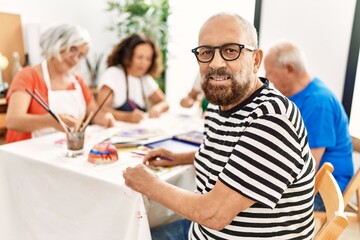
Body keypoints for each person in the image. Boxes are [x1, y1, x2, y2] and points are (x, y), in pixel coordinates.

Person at [123, 13, 315, 239]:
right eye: (206, 52)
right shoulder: (219, 105)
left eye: (231, 50)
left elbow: (214, 214)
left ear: (255, 60)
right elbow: (229, 155)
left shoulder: (272, 119)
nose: (215, 63)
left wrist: (149, 183)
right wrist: (180, 157)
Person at [264, 41, 354, 211]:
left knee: (257, 206)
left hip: (322, 191)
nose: (267, 78)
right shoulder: (295, 94)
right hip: (305, 179)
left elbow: (311, 166)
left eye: (270, 72)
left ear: (289, 69)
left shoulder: (318, 103)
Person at [5, 24, 115, 143]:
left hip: (64, 150)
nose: (75, 59)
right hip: (26, 152)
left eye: (81, 55)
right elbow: (13, 121)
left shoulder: (77, 80)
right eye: (72, 50)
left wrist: (105, 118)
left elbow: (93, 113)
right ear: (57, 44)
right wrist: (50, 121)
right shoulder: (27, 75)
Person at [97, 34, 169, 123]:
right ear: (127, 56)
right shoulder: (113, 74)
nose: (144, 63)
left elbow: (164, 102)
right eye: (139, 57)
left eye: (148, 59)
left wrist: (158, 108)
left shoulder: (144, 78)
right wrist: (126, 117)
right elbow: (100, 109)